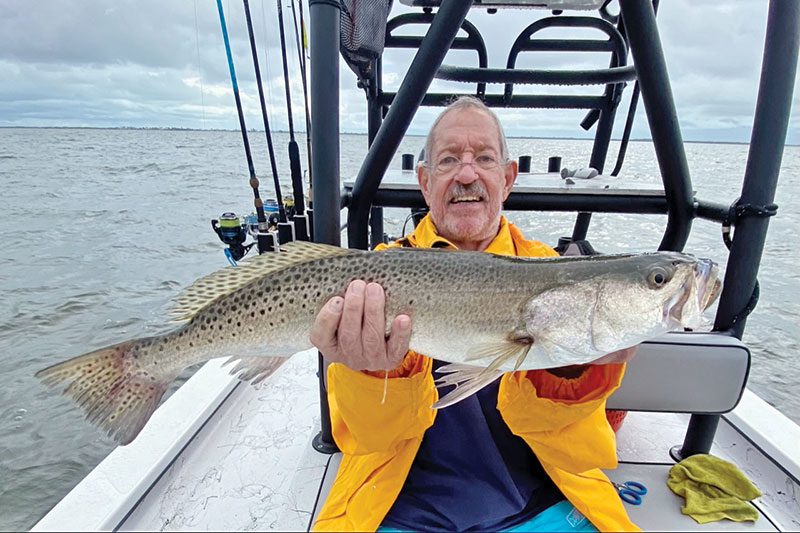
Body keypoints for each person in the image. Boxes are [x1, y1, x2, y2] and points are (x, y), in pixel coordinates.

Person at [310, 96, 639, 532]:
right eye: (448, 160)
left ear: (507, 179)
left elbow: (575, 448)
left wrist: (574, 368)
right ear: (425, 182)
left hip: (540, 502)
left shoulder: (554, 274)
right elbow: (368, 437)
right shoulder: (371, 282)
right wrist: (370, 372)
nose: (467, 174)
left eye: (484, 157)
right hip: (396, 505)